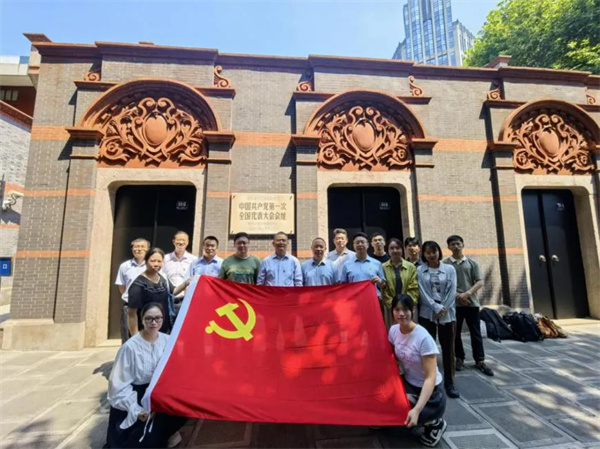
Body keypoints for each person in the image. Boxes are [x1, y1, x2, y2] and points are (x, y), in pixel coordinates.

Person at [105, 302, 185, 448]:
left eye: (158, 318)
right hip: (136, 395)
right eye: (149, 318)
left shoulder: (167, 341)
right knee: (143, 441)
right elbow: (118, 384)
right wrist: (136, 409)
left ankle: (168, 432)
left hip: (159, 392)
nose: (153, 322)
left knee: (181, 410)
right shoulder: (130, 347)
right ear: (142, 320)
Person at [389, 295, 447, 448]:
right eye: (397, 309)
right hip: (409, 383)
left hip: (431, 392)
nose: (401, 314)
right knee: (389, 405)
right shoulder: (393, 331)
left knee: (408, 413)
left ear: (413, 310)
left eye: (405, 309)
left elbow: (430, 378)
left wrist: (417, 410)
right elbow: (390, 357)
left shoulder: (423, 339)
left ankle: (435, 422)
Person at [443, 235, 494, 376]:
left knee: (475, 332)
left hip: (472, 303)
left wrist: (467, 294)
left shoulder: (472, 263)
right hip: (454, 305)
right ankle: (459, 358)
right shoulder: (445, 264)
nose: (456, 246)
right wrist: (457, 296)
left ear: (463, 245)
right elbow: (444, 283)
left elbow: (480, 281)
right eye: (453, 244)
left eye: (458, 244)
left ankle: (480, 360)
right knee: (455, 332)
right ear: (448, 247)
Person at [417, 241, 459, 398]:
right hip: (427, 314)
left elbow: (452, 290)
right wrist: (435, 307)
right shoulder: (420, 270)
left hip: (447, 314)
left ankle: (450, 382)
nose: (431, 255)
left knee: (448, 349)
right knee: (428, 350)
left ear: (438, 252)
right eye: (427, 252)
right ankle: (431, 382)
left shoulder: (449, 269)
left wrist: (443, 308)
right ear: (423, 254)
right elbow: (422, 291)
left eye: (433, 251)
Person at [128, 248, 173, 335]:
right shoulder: (138, 285)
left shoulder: (162, 278)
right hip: (145, 333)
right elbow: (132, 314)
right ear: (145, 261)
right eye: (152, 261)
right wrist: (135, 338)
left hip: (163, 332)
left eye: (159, 261)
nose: (156, 264)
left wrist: (187, 283)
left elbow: (173, 291)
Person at [115, 238, 150, 343]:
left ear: (148, 249)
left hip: (147, 307)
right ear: (132, 249)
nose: (139, 249)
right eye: (136, 247)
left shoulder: (151, 265)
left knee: (148, 336)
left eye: (142, 247)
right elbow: (121, 287)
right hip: (129, 306)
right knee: (128, 338)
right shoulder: (124, 266)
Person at [381, 238, 419, 329]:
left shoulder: (411, 267)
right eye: (392, 248)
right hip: (391, 308)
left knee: (409, 331)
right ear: (387, 250)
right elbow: (383, 289)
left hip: (408, 307)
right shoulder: (383, 267)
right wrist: (394, 305)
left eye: (397, 248)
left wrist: (405, 304)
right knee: (393, 332)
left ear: (402, 249)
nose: (395, 250)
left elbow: (414, 288)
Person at [339, 232, 385, 297]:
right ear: (353, 245)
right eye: (357, 242)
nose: (360, 244)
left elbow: (383, 285)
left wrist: (380, 282)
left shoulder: (377, 263)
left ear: (368, 245)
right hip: (354, 299)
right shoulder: (347, 265)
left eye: (362, 242)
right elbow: (343, 286)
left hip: (372, 299)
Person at [162, 231, 197, 315]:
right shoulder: (165, 259)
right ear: (173, 241)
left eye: (183, 240)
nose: (181, 242)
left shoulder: (194, 260)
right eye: (178, 240)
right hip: (167, 299)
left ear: (187, 242)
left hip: (186, 300)